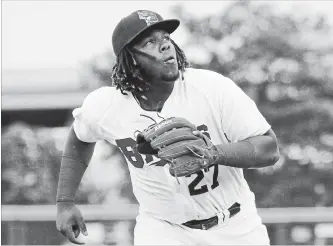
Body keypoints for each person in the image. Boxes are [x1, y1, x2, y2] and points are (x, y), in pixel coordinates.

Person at [56, 9, 280, 245]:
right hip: (163, 229)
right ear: (130, 58)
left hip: (235, 225)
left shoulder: (212, 88)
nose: (165, 46)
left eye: (166, 38)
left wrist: (214, 154)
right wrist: (64, 202)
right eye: (150, 42)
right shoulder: (105, 106)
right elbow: (79, 138)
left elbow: (269, 148)